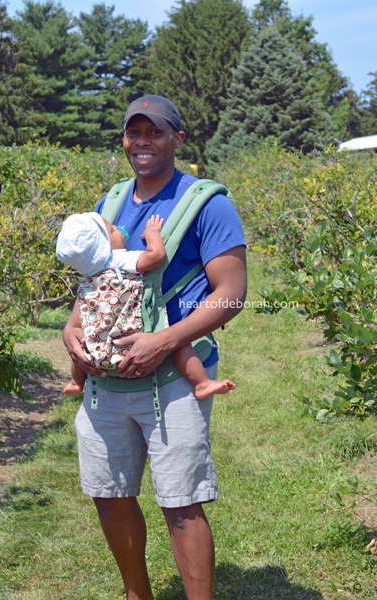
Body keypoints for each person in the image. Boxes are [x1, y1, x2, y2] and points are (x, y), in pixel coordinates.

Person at [62, 95, 247, 600]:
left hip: (171, 380)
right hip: (106, 381)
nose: (142, 142)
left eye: (155, 132)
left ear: (178, 140)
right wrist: (71, 329)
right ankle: (136, 594)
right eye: (133, 133)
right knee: (110, 494)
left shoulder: (208, 203)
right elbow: (97, 278)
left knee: (181, 502)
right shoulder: (114, 201)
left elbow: (232, 295)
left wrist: (162, 341)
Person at [56, 211, 235, 399]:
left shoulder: (89, 277)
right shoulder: (119, 260)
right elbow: (156, 255)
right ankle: (202, 384)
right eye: (111, 229)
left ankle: (76, 382)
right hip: (135, 342)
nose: (117, 227)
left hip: (101, 350)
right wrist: (151, 232)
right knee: (180, 345)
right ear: (104, 247)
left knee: (84, 344)